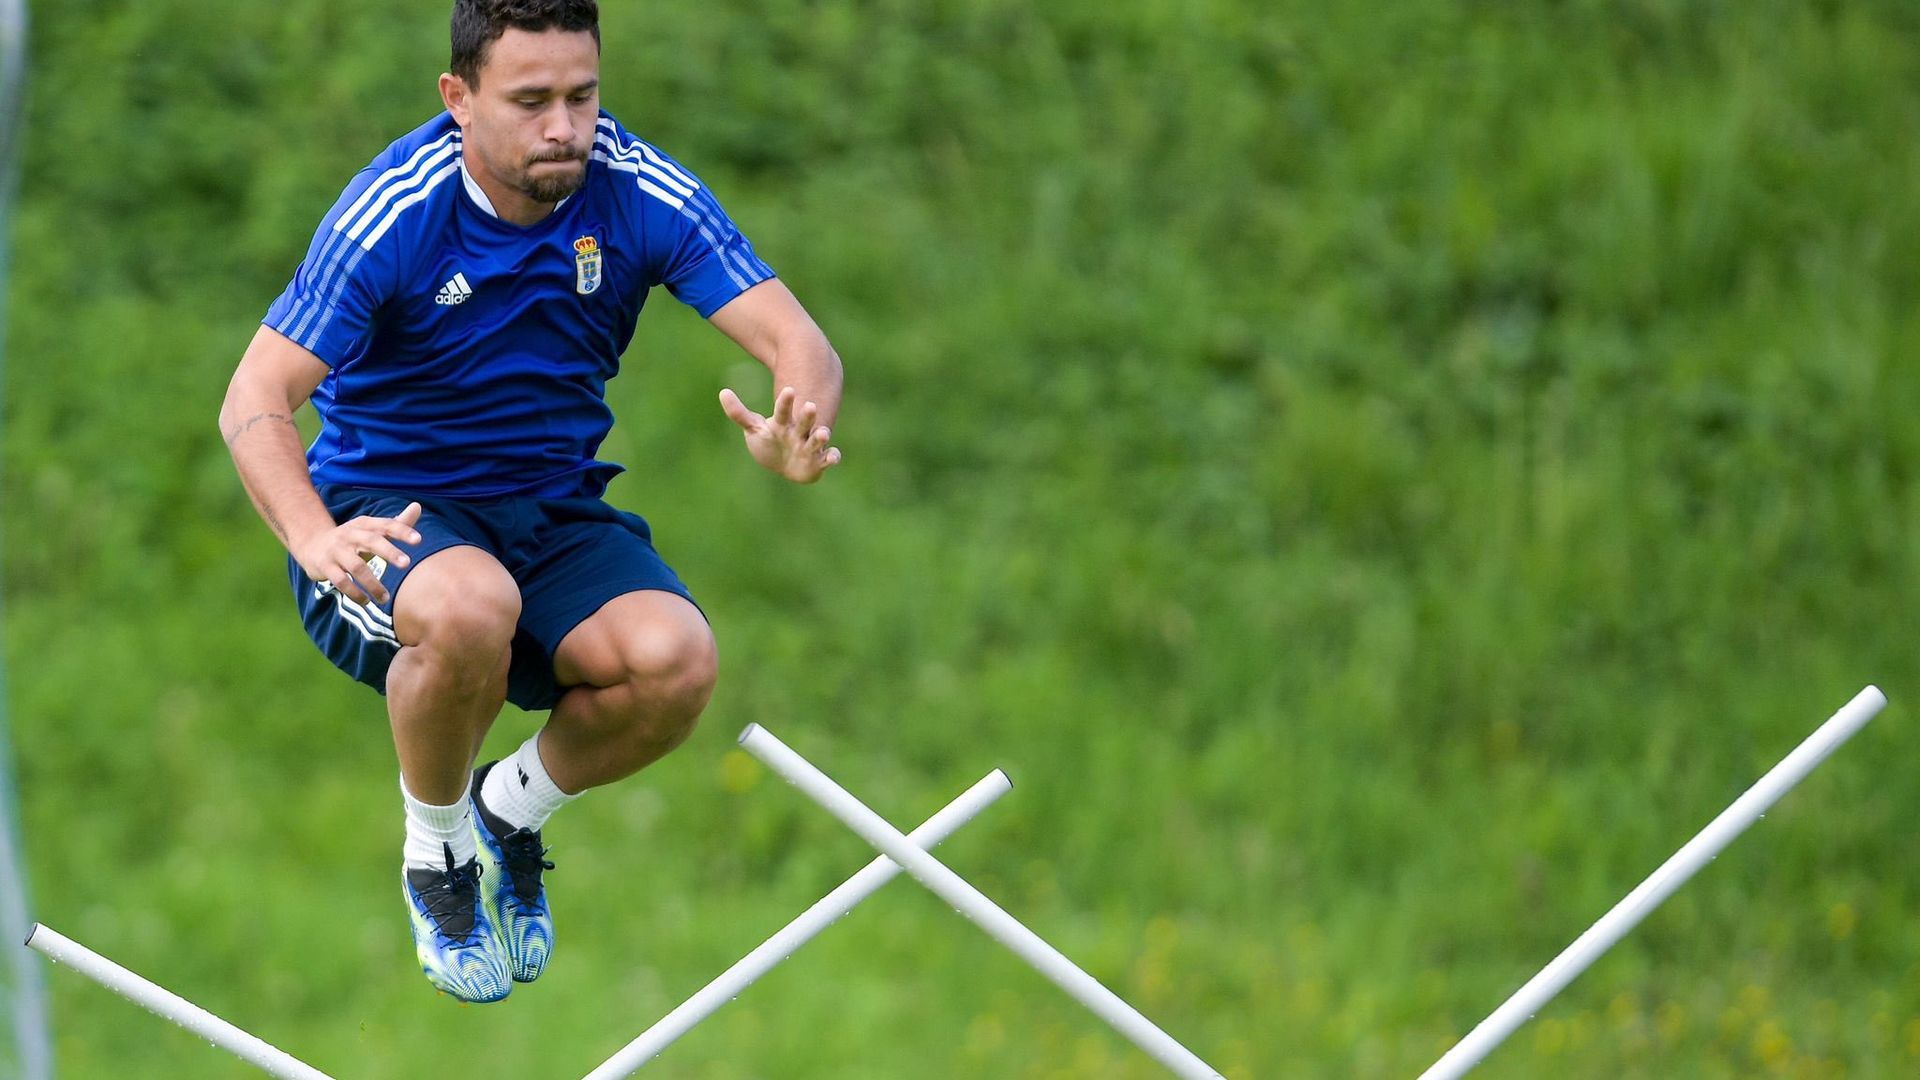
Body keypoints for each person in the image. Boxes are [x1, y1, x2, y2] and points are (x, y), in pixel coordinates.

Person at [218, 0, 841, 1004]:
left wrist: (802, 423)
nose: (565, 125)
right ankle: (437, 860)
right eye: (532, 99)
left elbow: (797, 339)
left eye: (582, 95)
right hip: (388, 514)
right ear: (459, 99)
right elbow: (254, 396)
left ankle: (504, 815)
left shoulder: (633, 188)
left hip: (548, 511)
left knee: (675, 664)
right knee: (473, 610)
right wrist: (312, 535)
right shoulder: (397, 209)